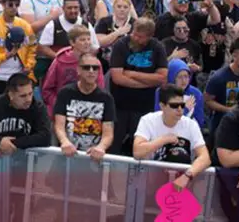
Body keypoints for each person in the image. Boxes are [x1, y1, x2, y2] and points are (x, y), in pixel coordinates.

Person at [108, 17, 169, 155]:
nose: (135, 38)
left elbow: (162, 78)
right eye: (134, 34)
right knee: (115, 145)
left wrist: (132, 74)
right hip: (120, 105)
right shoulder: (121, 45)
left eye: (140, 37)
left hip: (144, 106)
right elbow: (117, 78)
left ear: (149, 36)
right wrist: (147, 82)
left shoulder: (157, 47)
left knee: (140, 146)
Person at [134, 85, 212, 190]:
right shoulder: (148, 120)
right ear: (162, 106)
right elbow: (137, 151)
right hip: (151, 183)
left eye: (182, 105)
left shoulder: (191, 124)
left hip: (181, 184)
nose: (180, 109)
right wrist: (164, 140)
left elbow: (205, 157)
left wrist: (187, 176)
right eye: (174, 105)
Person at [0, 72, 52, 154]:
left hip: (27, 159)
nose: (28, 99)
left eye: (30, 94)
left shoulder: (38, 107)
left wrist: (12, 144)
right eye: (23, 96)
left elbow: (45, 136)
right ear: (11, 95)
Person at [54, 52, 115, 161]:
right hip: (67, 154)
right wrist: (65, 141)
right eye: (87, 67)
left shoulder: (106, 97)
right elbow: (59, 125)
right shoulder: (65, 93)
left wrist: (101, 147)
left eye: (95, 68)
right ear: (78, 70)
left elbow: (108, 133)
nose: (91, 71)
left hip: (94, 157)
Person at [42, 26, 105, 117]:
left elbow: (100, 87)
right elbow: (47, 89)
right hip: (62, 110)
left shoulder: (95, 62)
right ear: (72, 42)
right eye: (82, 40)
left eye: (88, 39)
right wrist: (58, 103)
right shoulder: (60, 60)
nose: (87, 43)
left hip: (87, 111)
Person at [153, 58, 205, 127]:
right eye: (180, 77)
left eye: (186, 76)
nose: (184, 81)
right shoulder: (161, 92)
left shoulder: (196, 94)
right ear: (172, 77)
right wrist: (184, 109)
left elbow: (199, 122)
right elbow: (160, 118)